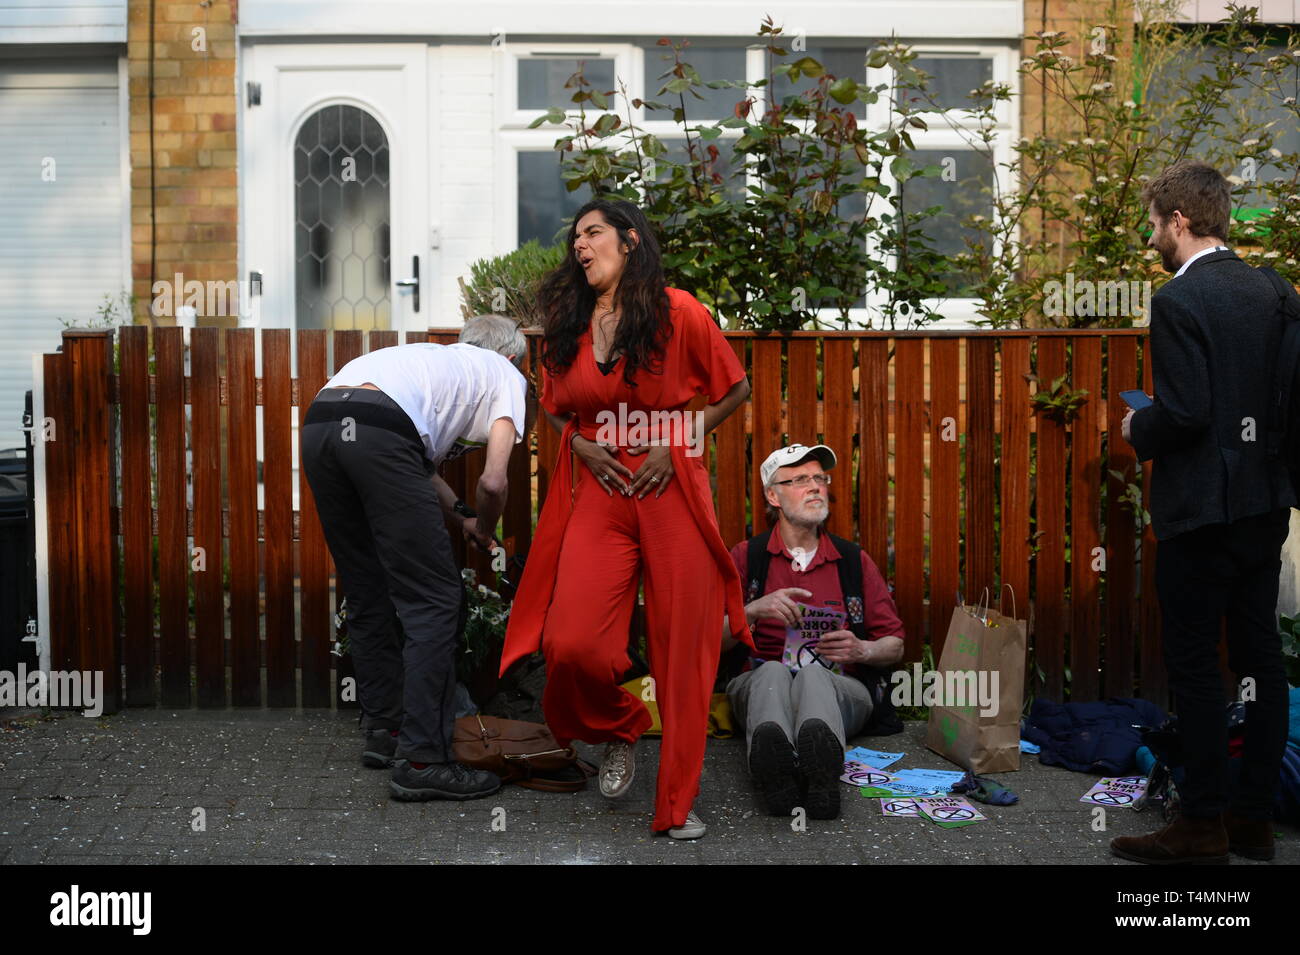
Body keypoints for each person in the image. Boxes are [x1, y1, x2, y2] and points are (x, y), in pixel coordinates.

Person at [499, 198, 753, 840]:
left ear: (630, 240)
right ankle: (620, 726)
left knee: (682, 654)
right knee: (570, 643)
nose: (580, 246)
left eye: (593, 233)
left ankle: (676, 804)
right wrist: (576, 443)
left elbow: (734, 390)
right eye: (575, 238)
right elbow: (555, 405)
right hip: (601, 489)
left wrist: (679, 441)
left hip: (671, 487)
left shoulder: (679, 312)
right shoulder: (568, 319)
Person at [1111, 160, 1297, 864]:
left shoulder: (1178, 301)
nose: (1154, 234)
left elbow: (1185, 412)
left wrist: (1138, 430)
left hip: (1198, 513)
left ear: (1180, 222)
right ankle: (1253, 821)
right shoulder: (1276, 292)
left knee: (1192, 663)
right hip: (1264, 504)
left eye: (1157, 223)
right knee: (1260, 660)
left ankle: (1202, 823)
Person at [301, 315, 532, 802]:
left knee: (367, 589)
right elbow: (494, 481)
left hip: (323, 421)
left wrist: (464, 519)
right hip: (378, 432)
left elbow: (414, 464)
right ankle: (424, 758)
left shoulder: (430, 362)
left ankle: (387, 731)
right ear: (511, 357)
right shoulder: (505, 373)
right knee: (435, 600)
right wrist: (488, 527)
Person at [722, 444, 905, 820]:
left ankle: (820, 777)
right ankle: (777, 775)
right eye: (800, 479)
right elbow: (709, 639)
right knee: (771, 671)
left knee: (813, 676)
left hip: (841, 689)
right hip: (760, 686)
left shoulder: (851, 560)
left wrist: (862, 651)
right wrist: (753, 611)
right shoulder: (747, 557)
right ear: (773, 495)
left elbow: (895, 644)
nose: (815, 487)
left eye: (819, 478)